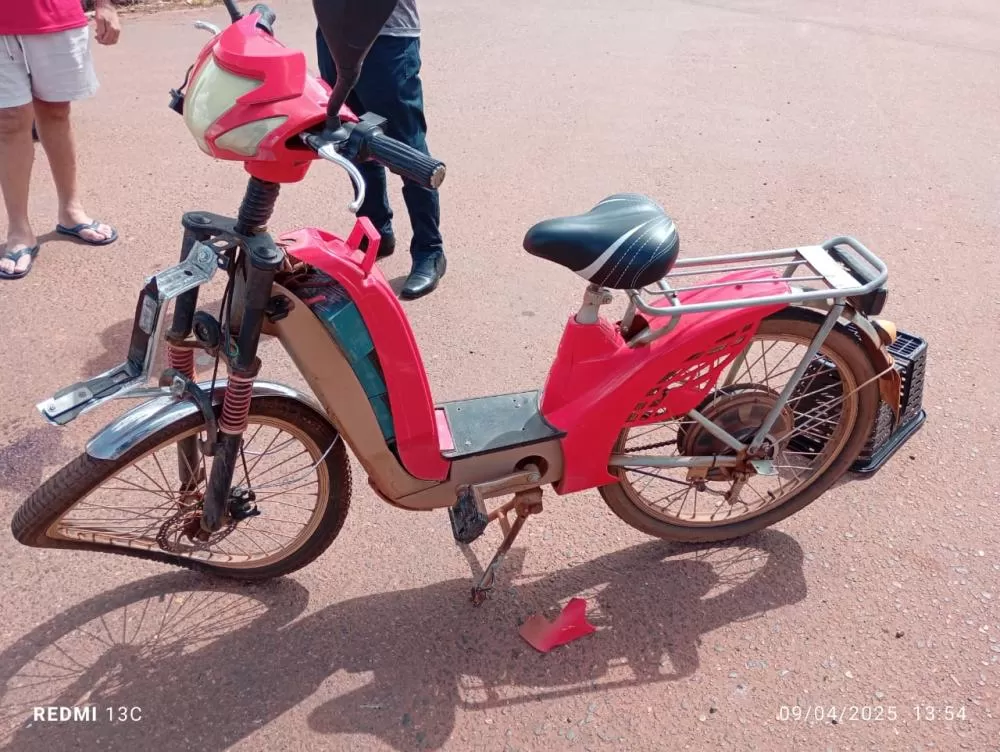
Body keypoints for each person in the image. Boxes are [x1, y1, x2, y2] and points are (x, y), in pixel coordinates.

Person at [316, 0, 446, 300]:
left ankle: (430, 250)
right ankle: (376, 233)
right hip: (333, 29)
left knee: (407, 148)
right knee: (354, 138)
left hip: (387, 36)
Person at [0, 0, 121, 280]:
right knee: (9, 121)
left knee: (56, 112)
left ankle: (70, 210)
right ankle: (18, 230)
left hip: (53, 13)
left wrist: (105, 5)